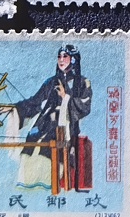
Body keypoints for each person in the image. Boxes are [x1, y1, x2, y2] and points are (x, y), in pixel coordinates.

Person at [11, 44, 92, 192]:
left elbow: (85, 106)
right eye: (59, 56)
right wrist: (14, 108)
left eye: (65, 56)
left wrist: (66, 97)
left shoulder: (82, 82)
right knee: (31, 146)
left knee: (49, 151)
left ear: (73, 59)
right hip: (44, 124)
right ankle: (27, 186)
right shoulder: (50, 82)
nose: (61, 60)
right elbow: (35, 102)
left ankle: (47, 187)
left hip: (66, 126)